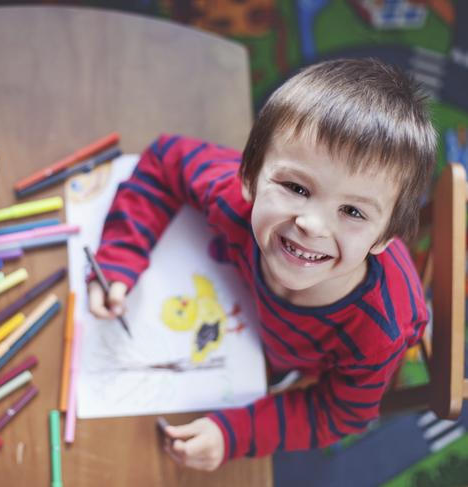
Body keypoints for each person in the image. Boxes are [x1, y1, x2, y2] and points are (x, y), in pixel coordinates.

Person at [87, 58, 436, 471]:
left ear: (384, 238)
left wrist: (233, 433)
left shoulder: (380, 331)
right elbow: (165, 160)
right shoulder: (233, 199)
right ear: (249, 176)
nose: (311, 225)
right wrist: (118, 260)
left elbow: (340, 413)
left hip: (290, 366)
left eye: (353, 212)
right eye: (296, 187)